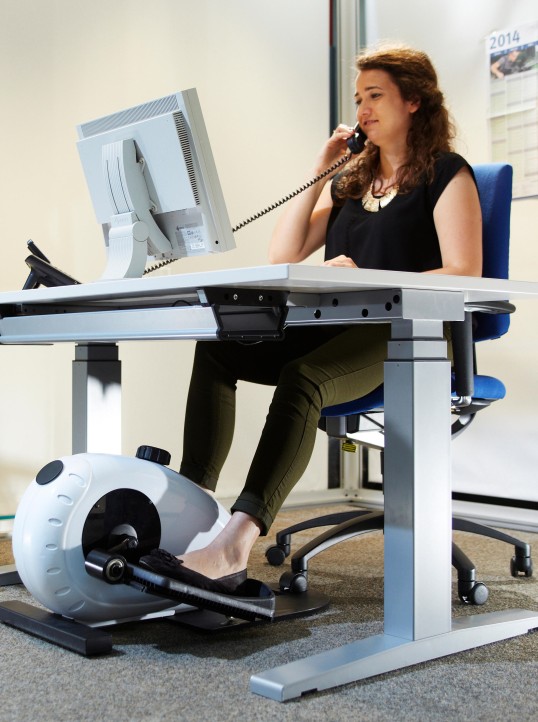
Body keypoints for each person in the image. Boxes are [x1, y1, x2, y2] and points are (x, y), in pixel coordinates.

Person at [140, 44, 483, 594]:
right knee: (219, 345)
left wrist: (369, 279)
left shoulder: (446, 174)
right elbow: (285, 252)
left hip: (404, 334)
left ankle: (234, 543)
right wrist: (320, 173)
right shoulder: (354, 181)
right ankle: (191, 510)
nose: (363, 109)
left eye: (376, 96)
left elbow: (465, 272)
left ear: (414, 101)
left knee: (305, 378)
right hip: (337, 324)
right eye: (358, 99)